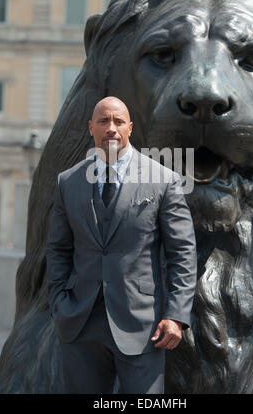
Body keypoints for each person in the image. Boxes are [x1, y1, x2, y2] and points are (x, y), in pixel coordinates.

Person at [46, 96, 197, 394]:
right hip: (79, 323)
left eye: (118, 121)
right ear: (91, 128)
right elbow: (58, 249)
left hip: (143, 325)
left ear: (130, 127)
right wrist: (59, 303)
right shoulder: (68, 182)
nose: (111, 128)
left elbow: (183, 253)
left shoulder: (163, 180)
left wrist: (176, 315)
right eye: (103, 121)